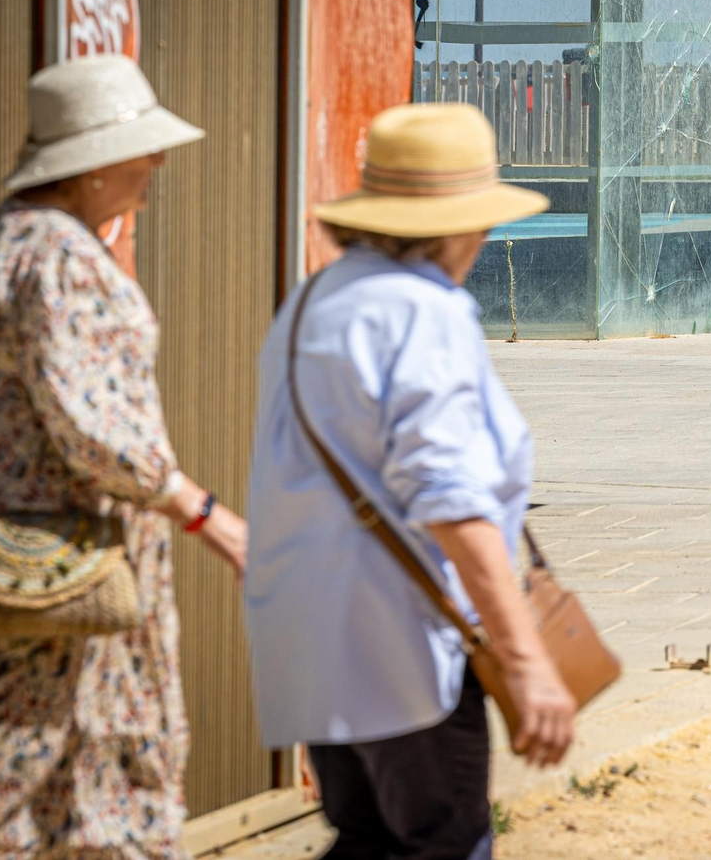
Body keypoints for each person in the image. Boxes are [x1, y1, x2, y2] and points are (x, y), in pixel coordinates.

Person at [244, 103, 577, 859]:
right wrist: (525, 661)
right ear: (460, 224)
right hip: (401, 639)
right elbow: (451, 500)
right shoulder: (424, 312)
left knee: (363, 837)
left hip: (306, 635)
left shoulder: (314, 302)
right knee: (445, 840)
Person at [0, 56, 247, 858]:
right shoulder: (58, 255)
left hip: (37, 558)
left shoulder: (10, 240)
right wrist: (200, 509)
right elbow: (92, 427)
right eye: (141, 148)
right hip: (74, 562)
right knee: (86, 771)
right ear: (90, 166)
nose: (156, 165)